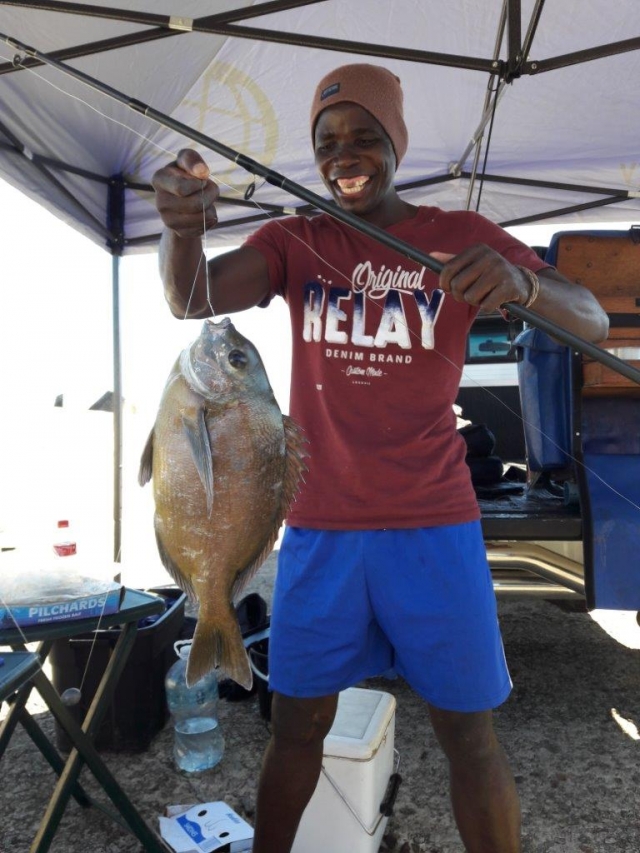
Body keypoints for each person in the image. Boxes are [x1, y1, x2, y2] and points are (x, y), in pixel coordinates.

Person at [152, 63, 608, 853]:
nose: (345, 153)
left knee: (471, 739)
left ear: (396, 143)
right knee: (297, 729)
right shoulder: (295, 240)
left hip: (435, 526)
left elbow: (592, 318)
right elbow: (191, 296)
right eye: (328, 141)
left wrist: (522, 285)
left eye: (365, 136)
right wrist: (180, 227)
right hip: (321, 530)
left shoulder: (462, 236)